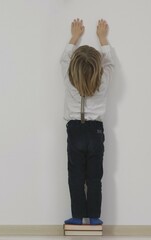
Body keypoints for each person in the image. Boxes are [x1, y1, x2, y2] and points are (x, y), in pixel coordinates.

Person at [60, 18, 114, 225]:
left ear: (74, 67)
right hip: (96, 132)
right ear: (97, 67)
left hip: (75, 130)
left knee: (75, 176)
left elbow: (64, 60)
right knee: (94, 178)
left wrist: (74, 37)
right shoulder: (104, 80)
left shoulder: (68, 78)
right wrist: (102, 39)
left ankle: (76, 217)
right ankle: (93, 218)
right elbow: (109, 62)